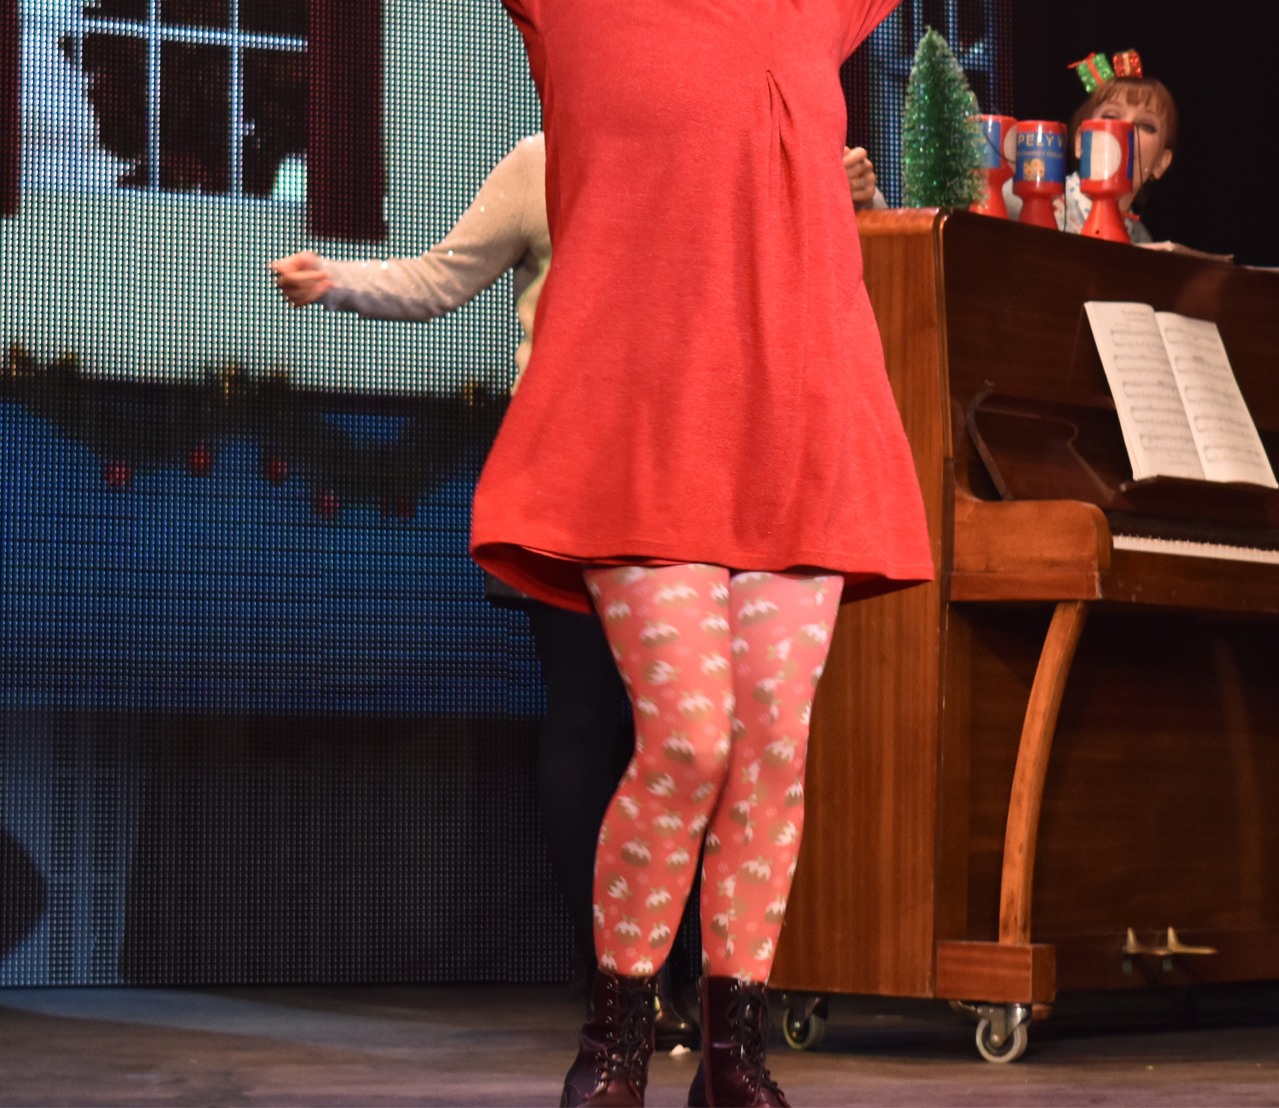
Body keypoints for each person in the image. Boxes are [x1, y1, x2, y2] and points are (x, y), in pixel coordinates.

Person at [390, 0, 1014, 1106]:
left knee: (775, 748)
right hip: (645, 432)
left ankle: (734, 1043)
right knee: (685, 735)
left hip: (798, 428)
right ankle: (619, 1027)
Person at [267, 134, 892, 1025]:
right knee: (590, 717)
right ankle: (622, 978)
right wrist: (339, 281)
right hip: (577, 471)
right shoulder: (545, 160)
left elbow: (794, 286)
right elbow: (443, 276)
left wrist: (845, 199)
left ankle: (694, 978)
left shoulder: (724, 155)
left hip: (700, 476)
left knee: (703, 732)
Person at [1003, 52, 1179, 242]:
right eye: (1110, 117)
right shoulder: (1018, 201)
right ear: (1081, 141)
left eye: (1146, 126)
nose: (1123, 130)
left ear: (1162, 163)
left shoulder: (1141, 238)